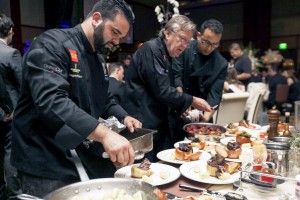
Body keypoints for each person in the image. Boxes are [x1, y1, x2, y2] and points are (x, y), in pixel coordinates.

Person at [11, 0, 141, 197]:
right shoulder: (52, 44)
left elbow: (103, 97)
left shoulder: (97, 58)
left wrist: (123, 117)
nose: (117, 41)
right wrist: (105, 134)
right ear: (96, 19)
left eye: (121, 37)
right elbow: (52, 100)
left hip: (75, 154)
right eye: (114, 32)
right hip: (43, 158)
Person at [125, 15, 212, 161]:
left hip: (157, 122)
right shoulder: (152, 48)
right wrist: (192, 100)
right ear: (168, 33)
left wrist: (183, 107)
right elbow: (163, 91)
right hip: (142, 123)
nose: (184, 45)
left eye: (187, 42)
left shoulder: (167, 54)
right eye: (182, 39)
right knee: (145, 171)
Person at [173, 19, 228, 124]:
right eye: (206, 42)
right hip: (178, 107)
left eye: (215, 44)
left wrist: (205, 119)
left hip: (202, 113)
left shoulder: (221, 64)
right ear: (198, 35)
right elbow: (176, 76)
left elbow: (215, 94)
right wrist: (183, 102)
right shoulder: (184, 48)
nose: (209, 48)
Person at [0, 14, 22, 200]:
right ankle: (15, 194)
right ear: (10, 31)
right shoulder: (10, 53)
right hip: (11, 114)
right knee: (10, 154)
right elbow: (24, 87)